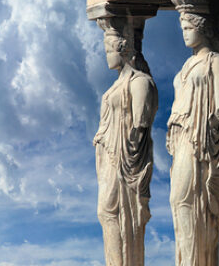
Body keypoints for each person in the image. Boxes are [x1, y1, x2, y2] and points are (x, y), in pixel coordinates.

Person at [168, 11, 219, 266]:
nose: (184, 32)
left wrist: (205, 125)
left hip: (200, 141)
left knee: (190, 202)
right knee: (178, 203)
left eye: (188, 27)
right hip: (181, 138)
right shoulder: (186, 66)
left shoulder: (218, 62)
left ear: (202, 27)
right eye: (182, 27)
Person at [94, 17, 158, 266]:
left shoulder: (140, 82)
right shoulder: (115, 86)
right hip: (109, 158)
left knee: (118, 215)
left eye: (109, 50)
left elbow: (140, 125)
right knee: (107, 214)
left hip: (125, 161)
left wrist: (129, 159)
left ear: (122, 49)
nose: (107, 56)